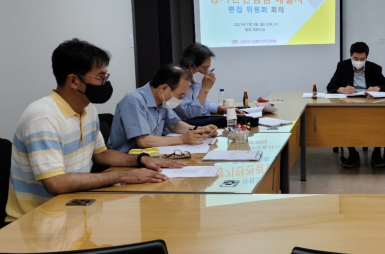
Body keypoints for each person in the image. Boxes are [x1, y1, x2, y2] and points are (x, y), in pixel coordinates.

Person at [6, 39, 185, 222]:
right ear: (74, 81)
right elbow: (56, 183)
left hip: (74, 210)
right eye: (100, 78)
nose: (105, 83)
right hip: (36, 220)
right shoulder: (43, 117)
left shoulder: (87, 108)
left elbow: (101, 154)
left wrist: (142, 160)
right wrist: (125, 175)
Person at [108, 64, 218, 153]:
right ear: (164, 88)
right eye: (181, 95)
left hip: (150, 155)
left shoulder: (162, 100)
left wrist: (199, 130)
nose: (181, 99)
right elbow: (143, 141)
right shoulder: (134, 100)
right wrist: (182, 139)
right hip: (125, 160)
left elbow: (174, 124)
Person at [326, 42, 385, 168]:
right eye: (356, 58)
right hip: (350, 104)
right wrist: (342, 89)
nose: (359, 61)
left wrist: (377, 88)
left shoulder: (375, 68)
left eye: (362, 59)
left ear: (366, 57)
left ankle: (376, 154)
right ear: (351, 55)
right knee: (346, 122)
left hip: (370, 103)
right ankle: (353, 154)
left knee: (379, 120)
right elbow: (331, 86)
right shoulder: (342, 66)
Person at [177, 42, 242, 127]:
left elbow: (202, 104)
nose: (206, 72)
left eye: (208, 68)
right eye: (204, 68)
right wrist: (205, 89)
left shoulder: (196, 80)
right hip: (187, 128)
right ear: (191, 66)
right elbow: (191, 115)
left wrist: (220, 108)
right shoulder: (177, 84)